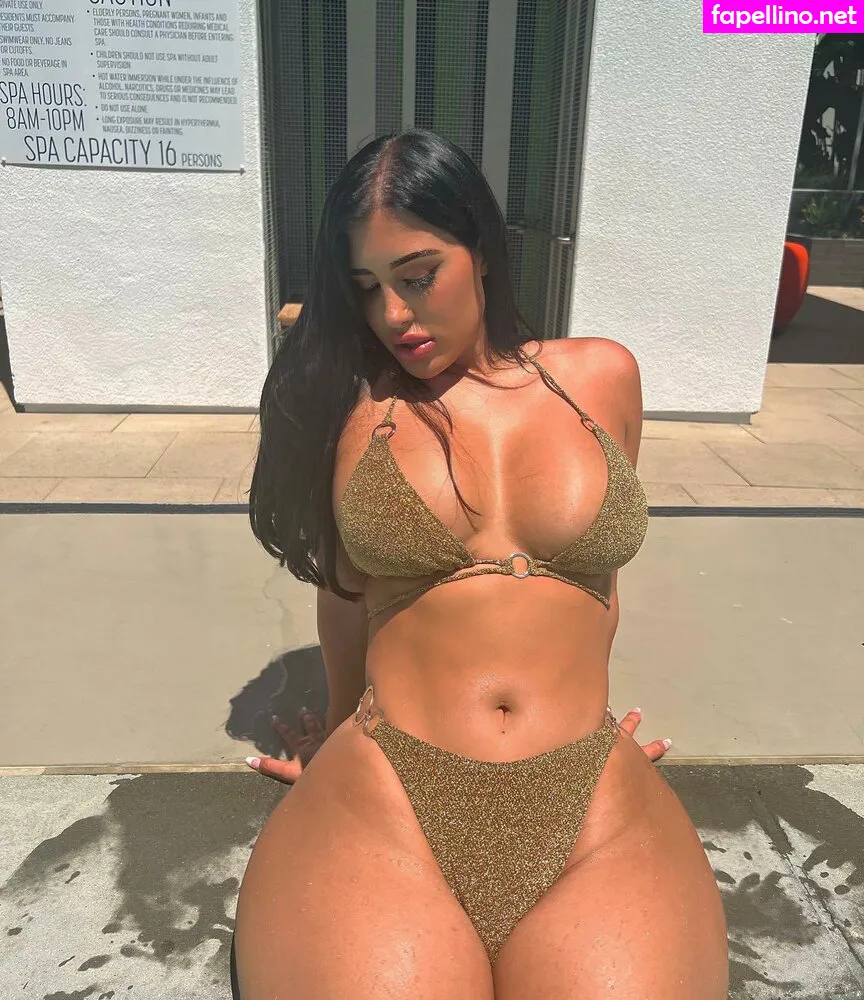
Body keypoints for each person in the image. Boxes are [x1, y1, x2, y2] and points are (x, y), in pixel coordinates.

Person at [234, 128, 729, 999]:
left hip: (587, 796)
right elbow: (345, 597)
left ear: (483, 252)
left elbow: (597, 584)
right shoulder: (350, 402)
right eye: (367, 288)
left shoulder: (602, 377)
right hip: (388, 791)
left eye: (418, 276)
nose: (394, 315)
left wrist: (583, 724)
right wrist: (337, 732)